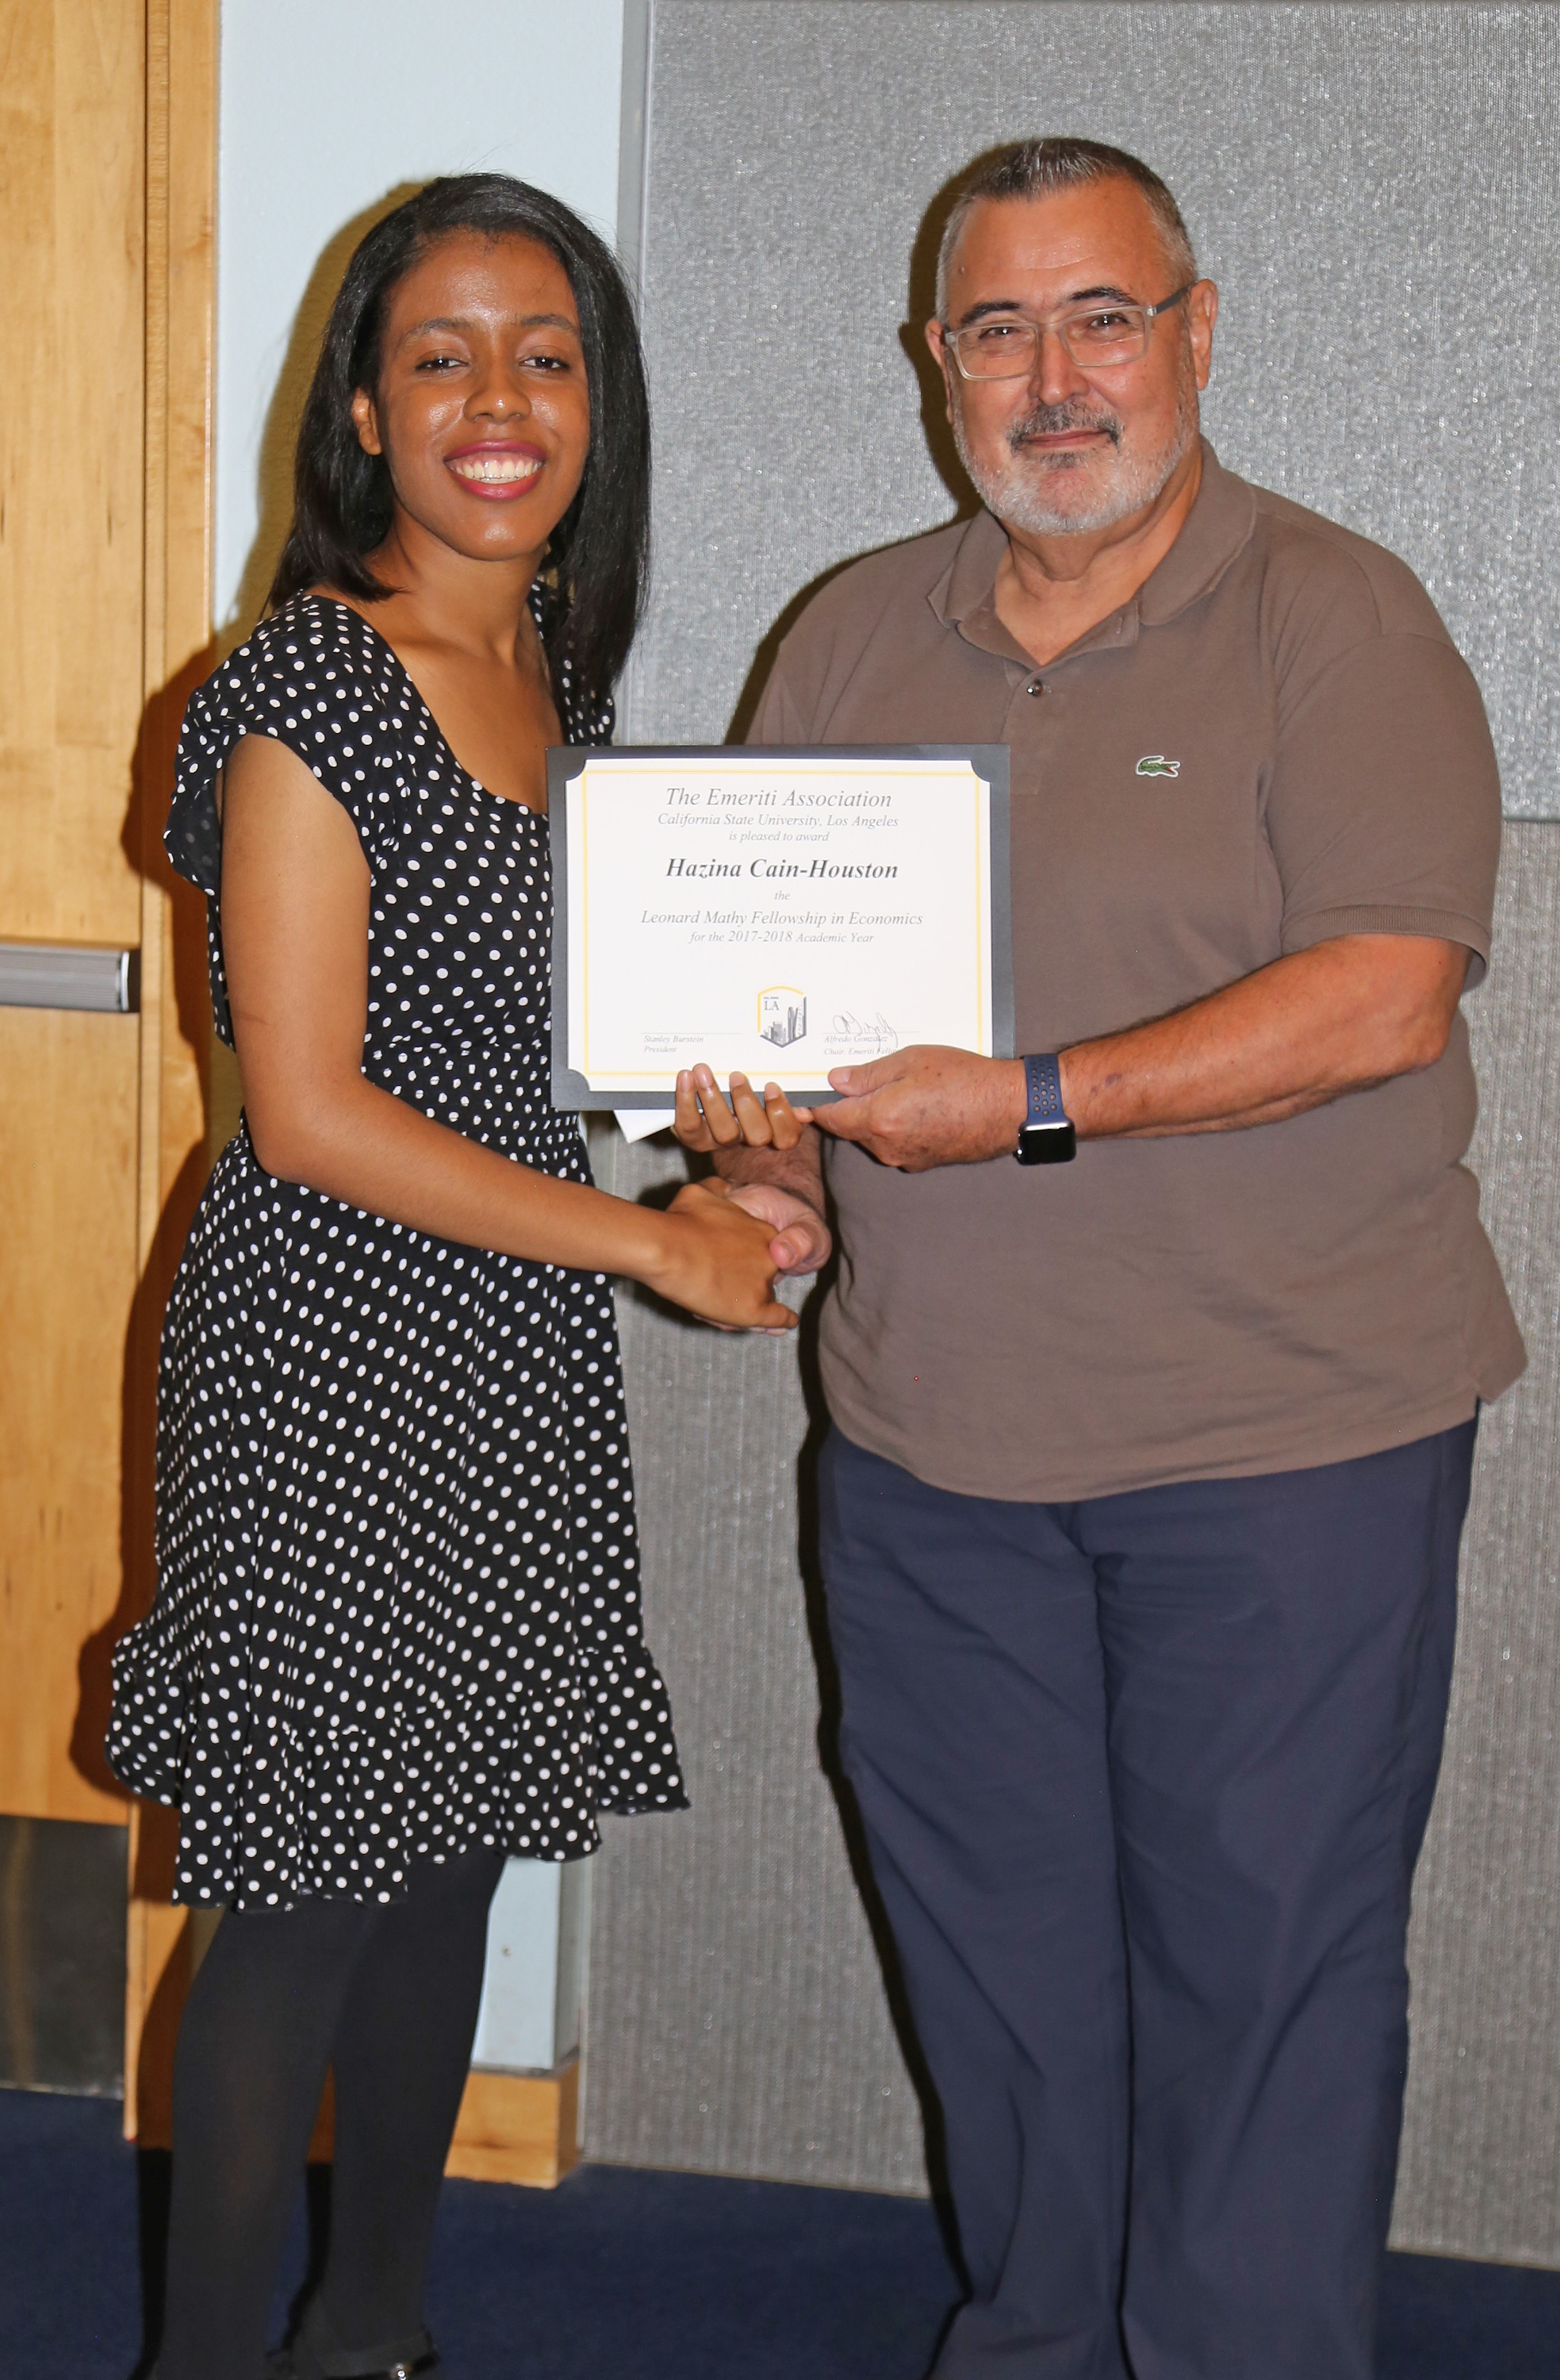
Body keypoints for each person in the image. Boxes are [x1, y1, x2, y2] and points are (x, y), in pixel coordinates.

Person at [679, 139, 1524, 2380]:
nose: (1055, 378)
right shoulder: (850, 633)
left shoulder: (1333, 615)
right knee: (1003, 1970)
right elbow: (783, 1043)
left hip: (1288, 1450)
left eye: (1102, 318)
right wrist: (761, 1176)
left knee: (1263, 1970)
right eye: (999, 328)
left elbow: (1386, 993)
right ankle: (1046, 2345)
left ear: (1198, 332)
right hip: (931, 1455)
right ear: (934, 363)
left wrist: (1034, 1099)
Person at [108, 174, 792, 2380]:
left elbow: (520, 1066)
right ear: (366, 415)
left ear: (601, 399)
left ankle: (368, 2337)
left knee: (451, 1869)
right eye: (443, 354)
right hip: (326, 1347)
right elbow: (304, 1107)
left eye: (548, 352)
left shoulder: (553, 671)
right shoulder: (311, 679)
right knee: (298, 1909)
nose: (499, 398)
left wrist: (728, 1157)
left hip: (501, 1342)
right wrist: (650, 1245)